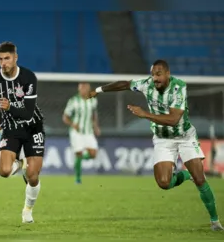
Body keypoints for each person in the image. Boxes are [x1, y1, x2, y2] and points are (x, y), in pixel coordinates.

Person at [88, 59, 223, 231]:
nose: (155, 78)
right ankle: (185, 175)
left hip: (184, 137)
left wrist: (145, 114)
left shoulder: (178, 87)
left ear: (167, 74)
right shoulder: (147, 84)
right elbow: (125, 84)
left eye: (159, 74)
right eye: (153, 74)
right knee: (164, 183)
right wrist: (99, 90)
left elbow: (174, 119)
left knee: (200, 179)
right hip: (163, 140)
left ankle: (215, 221)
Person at [0, 42, 45, 223]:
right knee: (3, 171)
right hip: (10, 128)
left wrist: (9, 107)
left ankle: (27, 211)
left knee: (33, 176)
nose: (3, 63)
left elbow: (28, 112)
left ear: (15, 57)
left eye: (7, 58)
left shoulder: (28, 77)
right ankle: (20, 162)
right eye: (0, 59)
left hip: (33, 127)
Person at [63, 82, 101, 184]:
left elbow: (93, 114)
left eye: (85, 88)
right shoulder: (73, 101)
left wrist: (96, 127)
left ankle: (77, 163)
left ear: (88, 89)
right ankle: (78, 179)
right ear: (79, 89)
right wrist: (72, 124)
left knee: (93, 154)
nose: (83, 90)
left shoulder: (93, 100)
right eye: (81, 88)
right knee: (79, 153)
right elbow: (65, 117)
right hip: (77, 132)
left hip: (88, 131)